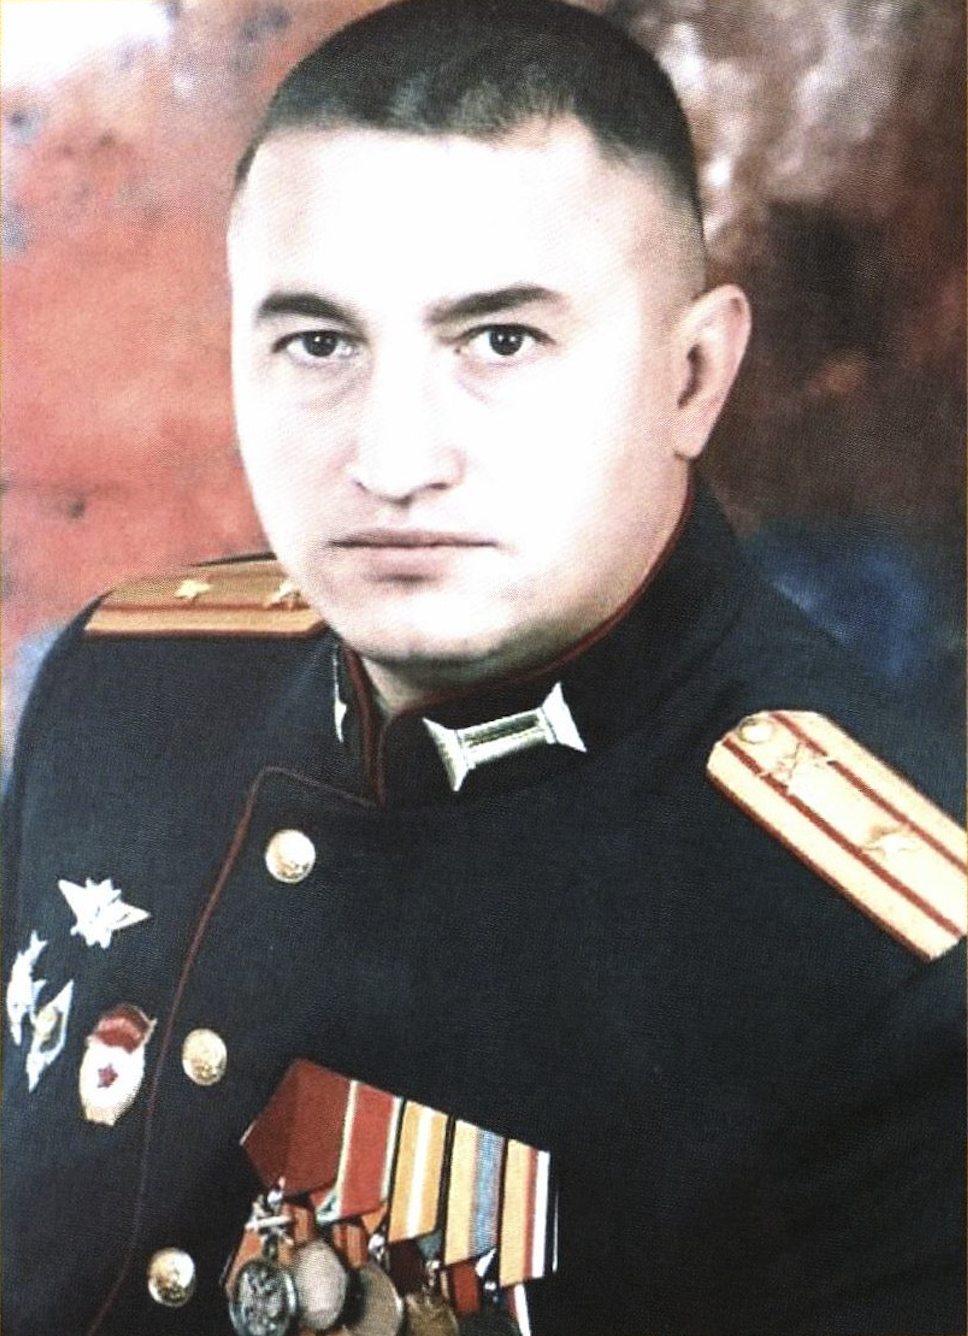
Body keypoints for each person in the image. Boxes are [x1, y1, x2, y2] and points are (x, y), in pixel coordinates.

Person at [2, 2, 964, 1334]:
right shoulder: (120, 688)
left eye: (501, 341)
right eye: (318, 343)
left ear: (693, 376)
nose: (394, 461)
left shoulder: (896, 960)